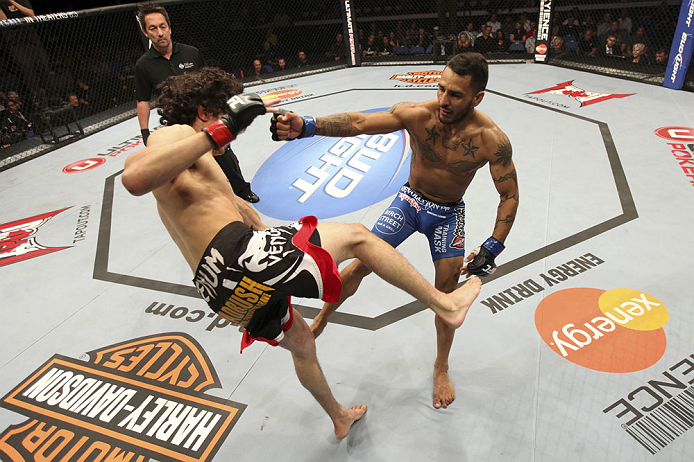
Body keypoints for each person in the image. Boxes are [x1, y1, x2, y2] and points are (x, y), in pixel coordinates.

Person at [121, 67, 482, 438]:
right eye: (228, 121)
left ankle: (339, 418)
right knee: (358, 237)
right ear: (205, 112)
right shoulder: (175, 135)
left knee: (302, 343)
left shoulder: (201, 167)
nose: (234, 135)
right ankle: (446, 305)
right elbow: (134, 178)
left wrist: (287, 252)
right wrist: (222, 128)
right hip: (236, 254)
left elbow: (251, 220)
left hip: (220, 291)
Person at [270, 52, 518, 410]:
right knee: (358, 266)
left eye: (456, 95)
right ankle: (321, 321)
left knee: (446, 296)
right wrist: (307, 125)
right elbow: (357, 122)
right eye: (441, 88)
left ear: (477, 97)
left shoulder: (491, 139)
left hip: (448, 215)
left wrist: (493, 246)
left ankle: (441, 366)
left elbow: (509, 194)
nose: (443, 101)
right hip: (409, 201)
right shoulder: (418, 114)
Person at [135, 3, 259, 203]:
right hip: (176, 125)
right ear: (145, 32)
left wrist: (222, 112)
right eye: (153, 28)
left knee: (224, 155)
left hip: (205, 117)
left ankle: (241, 190)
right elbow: (142, 100)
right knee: (190, 165)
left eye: (162, 26)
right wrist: (145, 133)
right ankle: (207, 203)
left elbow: (210, 83)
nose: (160, 33)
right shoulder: (143, 65)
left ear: (169, 27)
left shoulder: (191, 53)